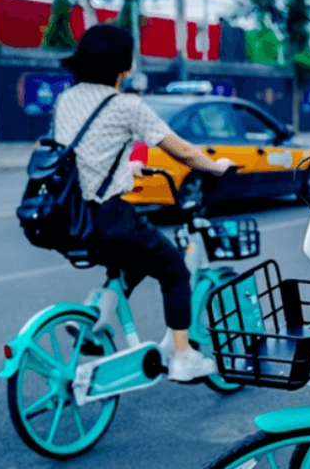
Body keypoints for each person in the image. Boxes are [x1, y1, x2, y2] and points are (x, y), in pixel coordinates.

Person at [55, 25, 234, 381]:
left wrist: (128, 166)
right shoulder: (125, 105)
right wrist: (216, 166)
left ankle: (96, 314)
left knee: (135, 258)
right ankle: (183, 358)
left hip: (69, 216)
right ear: (122, 62)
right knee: (174, 269)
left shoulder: (68, 98)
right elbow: (182, 151)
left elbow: (85, 152)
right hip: (108, 215)